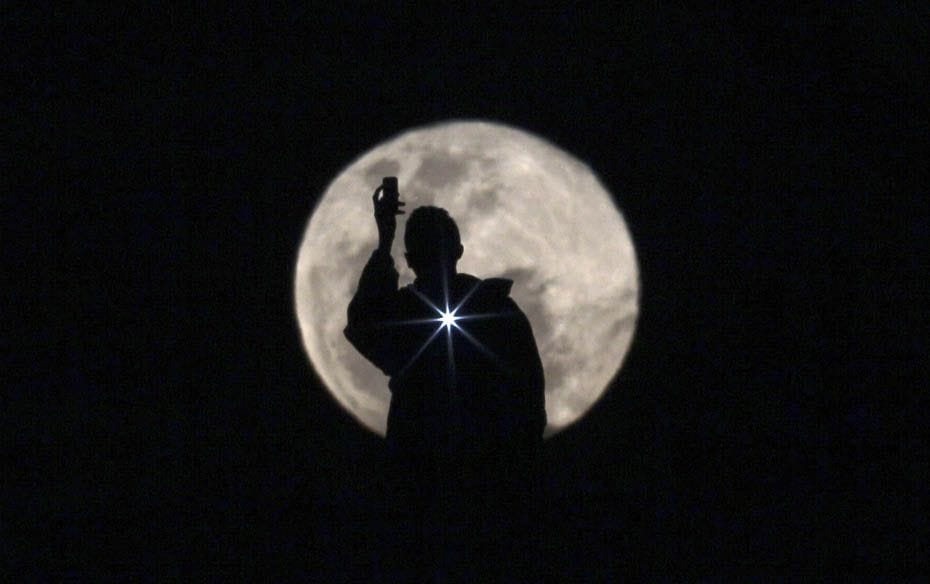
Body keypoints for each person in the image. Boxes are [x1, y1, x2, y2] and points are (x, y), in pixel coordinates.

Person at [344, 179, 546, 580]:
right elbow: (365, 326)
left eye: (433, 246)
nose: (433, 258)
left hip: (483, 482)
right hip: (424, 480)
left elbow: (528, 399)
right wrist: (384, 241)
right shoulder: (426, 315)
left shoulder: (493, 312)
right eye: (427, 247)